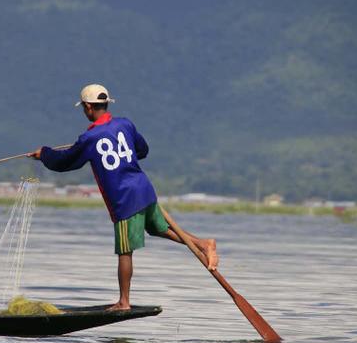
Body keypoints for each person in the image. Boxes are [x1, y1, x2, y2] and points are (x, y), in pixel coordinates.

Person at [29, 84, 218, 310]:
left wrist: (45, 154)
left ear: (88, 107)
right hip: (144, 189)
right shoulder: (125, 124)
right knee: (158, 228)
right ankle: (202, 243)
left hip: (125, 199)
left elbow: (65, 161)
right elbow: (143, 150)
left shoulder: (89, 138)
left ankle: (124, 301)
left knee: (124, 251)